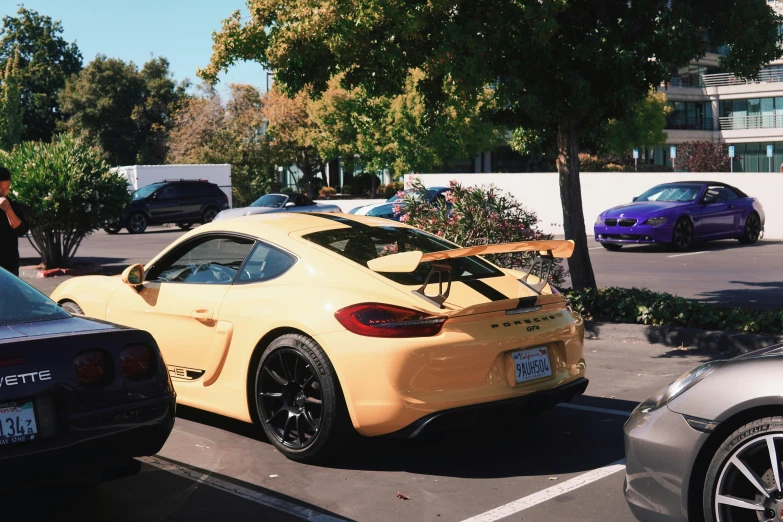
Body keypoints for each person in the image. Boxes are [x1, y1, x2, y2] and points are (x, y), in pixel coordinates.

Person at [0, 167, 29, 276]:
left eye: (7, 188)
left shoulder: (13, 205)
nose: (4, 192)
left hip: (9, 268)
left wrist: (8, 209)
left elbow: (21, 230)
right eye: (0, 188)